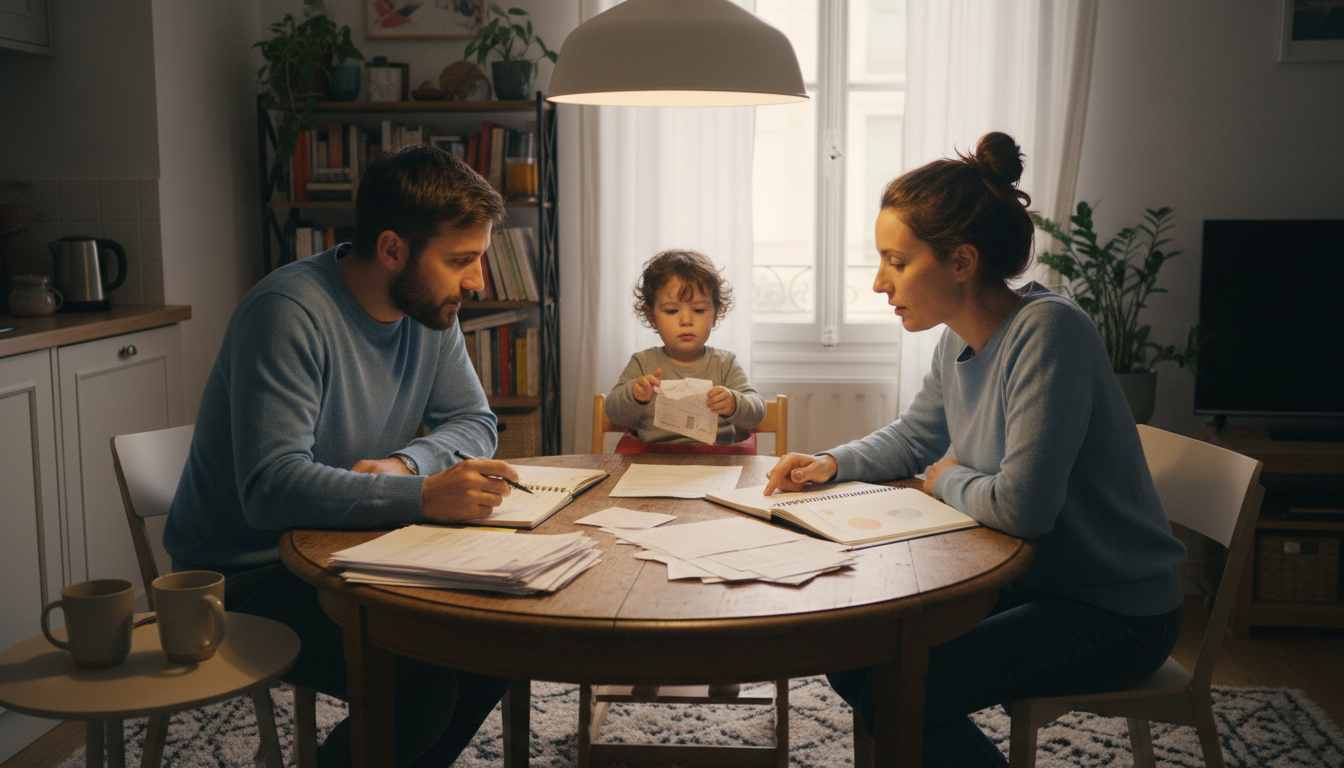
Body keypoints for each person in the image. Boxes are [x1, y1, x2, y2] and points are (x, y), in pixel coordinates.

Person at [763, 132, 1186, 767]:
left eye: (896, 262)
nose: (879, 283)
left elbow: (1023, 508)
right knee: (856, 657)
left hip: (1115, 609)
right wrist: (832, 462)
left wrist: (946, 482)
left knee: (899, 690)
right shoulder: (955, 341)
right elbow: (915, 438)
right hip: (1040, 580)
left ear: (962, 262)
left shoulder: (1050, 333)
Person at [164, 145, 522, 767]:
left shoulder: (429, 309)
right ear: (391, 250)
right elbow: (270, 488)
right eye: (461, 260)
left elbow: (474, 419)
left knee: (496, 646)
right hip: (243, 575)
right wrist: (422, 496)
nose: (477, 281)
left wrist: (407, 466)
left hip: (346, 546)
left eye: (480, 259)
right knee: (420, 686)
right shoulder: (288, 314)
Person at [605, 249, 765, 446]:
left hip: (717, 465)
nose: (686, 320)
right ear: (652, 317)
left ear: (715, 315)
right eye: (672, 310)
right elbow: (613, 412)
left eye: (698, 310)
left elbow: (757, 412)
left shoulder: (725, 364)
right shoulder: (643, 363)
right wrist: (634, 395)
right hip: (653, 465)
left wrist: (734, 402)